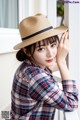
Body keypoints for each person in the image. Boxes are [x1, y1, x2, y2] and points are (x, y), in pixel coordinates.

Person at [10, 13, 78, 120]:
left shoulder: (28, 66)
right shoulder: (36, 77)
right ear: (27, 51)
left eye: (53, 45)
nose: (50, 53)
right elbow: (72, 103)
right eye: (41, 49)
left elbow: (49, 69)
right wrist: (61, 61)